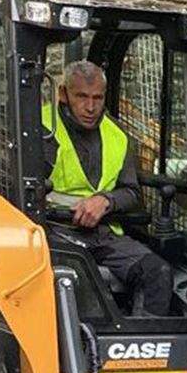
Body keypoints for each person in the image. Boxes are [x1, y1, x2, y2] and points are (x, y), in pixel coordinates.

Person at [42, 60, 172, 316]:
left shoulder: (117, 135)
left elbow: (131, 192)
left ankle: (143, 339)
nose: (90, 107)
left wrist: (106, 200)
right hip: (52, 231)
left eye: (97, 98)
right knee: (78, 280)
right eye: (82, 97)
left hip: (102, 235)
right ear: (63, 94)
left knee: (157, 272)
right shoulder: (41, 127)